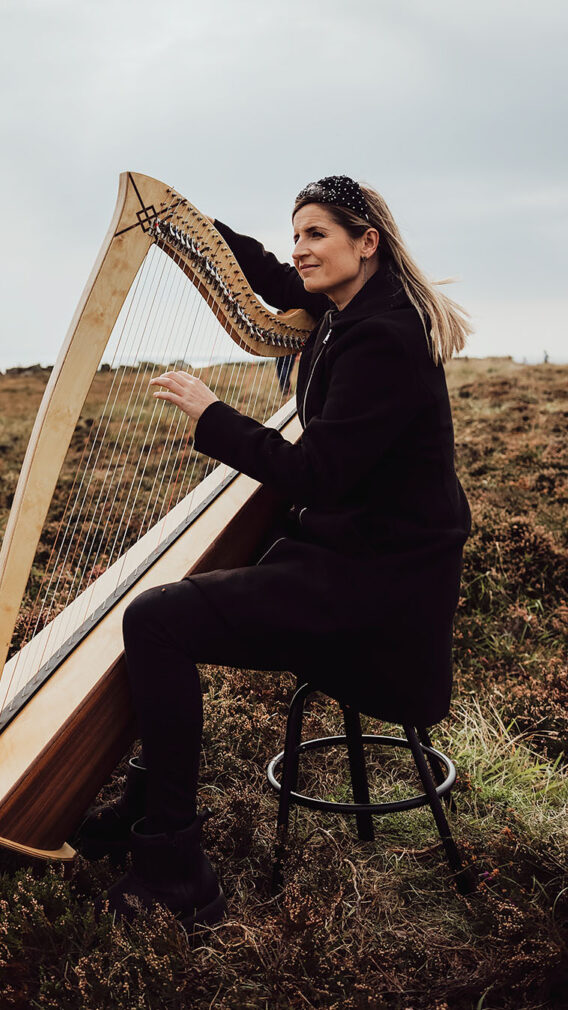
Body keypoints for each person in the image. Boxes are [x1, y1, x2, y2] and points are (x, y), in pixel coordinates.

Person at [75, 175, 472, 928]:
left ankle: (176, 872)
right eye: (297, 234)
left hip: (378, 597)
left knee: (156, 621)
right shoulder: (351, 304)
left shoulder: (383, 339)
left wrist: (211, 413)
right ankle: (142, 808)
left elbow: (314, 473)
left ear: (368, 243)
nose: (300, 251)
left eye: (317, 234)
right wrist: (180, 221)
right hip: (351, 560)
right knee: (166, 614)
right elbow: (260, 270)